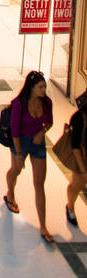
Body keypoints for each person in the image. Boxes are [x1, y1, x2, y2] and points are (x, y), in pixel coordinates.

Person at [4, 70, 54, 242]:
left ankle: (43, 225)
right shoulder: (19, 104)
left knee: (39, 184)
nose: (44, 90)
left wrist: (43, 131)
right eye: (40, 87)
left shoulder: (47, 102)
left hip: (37, 143)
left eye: (44, 86)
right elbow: (15, 130)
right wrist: (18, 154)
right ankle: (10, 193)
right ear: (31, 88)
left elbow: (50, 121)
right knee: (15, 171)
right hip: (21, 142)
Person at [63, 91, 87, 227]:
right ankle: (70, 207)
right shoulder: (79, 119)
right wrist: (83, 170)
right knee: (76, 185)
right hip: (82, 156)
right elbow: (75, 146)